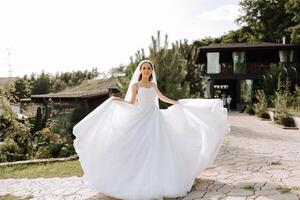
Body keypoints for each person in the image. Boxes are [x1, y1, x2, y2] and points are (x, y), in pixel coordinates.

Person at [73, 60, 230, 200]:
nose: (147, 70)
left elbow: (161, 98)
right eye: (144, 68)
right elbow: (132, 103)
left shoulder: (153, 85)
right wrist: (118, 100)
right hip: (141, 118)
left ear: (151, 71)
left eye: (149, 68)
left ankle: (161, 179)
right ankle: (132, 180)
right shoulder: (136, 85)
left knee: (160, 148)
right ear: (140, 70)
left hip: (155, 118)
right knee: (137, 149)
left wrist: (176, 103)